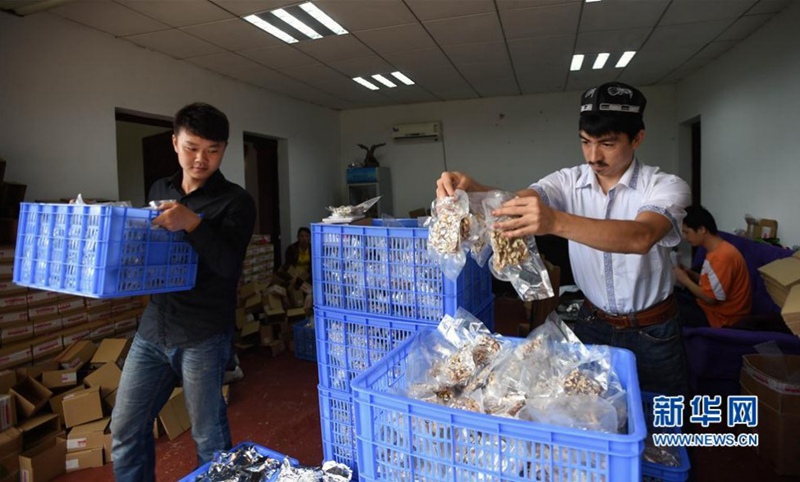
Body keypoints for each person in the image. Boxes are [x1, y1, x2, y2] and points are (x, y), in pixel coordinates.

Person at [436, 82, 691, 395]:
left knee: (660, 423)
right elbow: (518, 201)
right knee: (593, 415)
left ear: (637, 138)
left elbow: (641, 236)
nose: (593, 155)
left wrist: (554, 221)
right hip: (592, 323)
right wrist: (473, 189)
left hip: (653, 331)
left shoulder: (665, 186)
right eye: (585, 142)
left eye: (607, 144)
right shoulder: (568, 181)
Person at [111, 102, 256, 481]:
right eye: (191, 147)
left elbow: (228, 267)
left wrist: (194, 224)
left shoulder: (236, 201)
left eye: (212, 150)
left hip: (203, 333)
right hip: (154, 327)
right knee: (125, 428)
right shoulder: (160, 188)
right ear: (175, 143)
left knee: (208, 437)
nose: (200, 159)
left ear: (224, 149)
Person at [674, 205, 752, 328]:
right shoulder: (717, 250)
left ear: (702, 229)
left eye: (686, 232)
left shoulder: (723, 256)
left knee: (668, 308)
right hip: (711, 310)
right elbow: (715, 284)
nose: (685, 237)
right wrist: (690, 274)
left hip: (722, 319)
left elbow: (711, 298)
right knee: (671, 297)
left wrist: (685, 279)